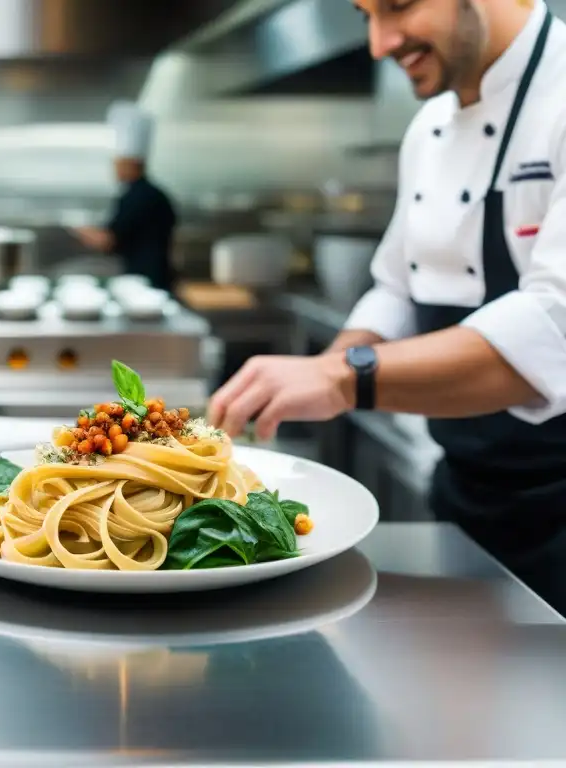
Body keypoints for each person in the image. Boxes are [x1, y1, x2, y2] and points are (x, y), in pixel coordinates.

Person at [208, 0, 566, 614]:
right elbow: (397, 288)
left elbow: (553, 328)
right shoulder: (428, 129)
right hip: (466, 497)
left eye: (397, 6)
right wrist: (328, 365)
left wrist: (342, 379)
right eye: (366, 14)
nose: (378, 43)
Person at [72, 101, 178, 291]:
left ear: (131, 163)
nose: (114, 168)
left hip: (145, 282)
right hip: (159, 277)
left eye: (118, 162)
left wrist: (77, 227)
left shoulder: (136, 196)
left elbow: (107, 241)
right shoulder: (157, 194)